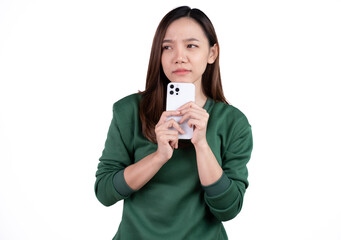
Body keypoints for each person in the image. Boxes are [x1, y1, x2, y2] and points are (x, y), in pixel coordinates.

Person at [95, 6, 253, 240]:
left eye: (191, 45)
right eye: (167, 47)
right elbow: (105, 192)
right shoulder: (128, 111)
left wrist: (202, 145)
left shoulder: (233, 122)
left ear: (212, 53)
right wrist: (158, 156)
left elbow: (228, 209)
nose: (178, 56)